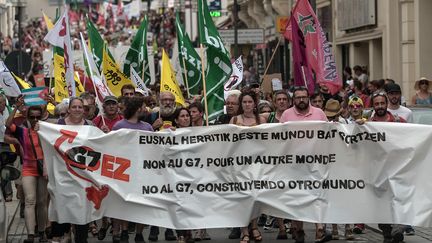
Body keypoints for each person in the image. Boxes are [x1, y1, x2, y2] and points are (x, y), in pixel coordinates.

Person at [279, 86, 327, 243]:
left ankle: (320, 228)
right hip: (294, 164)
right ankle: (298, 229)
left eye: (304, 97)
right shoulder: (287, 115)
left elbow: (329, 134)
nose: (301, 100)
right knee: (298, 198)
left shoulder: (319, 113)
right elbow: (279, 137)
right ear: (294, 99)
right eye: (298, 97)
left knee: (317, 196)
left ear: (308, 98)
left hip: (316, 162)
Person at [52, 97, 94, 243]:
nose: (77, 110)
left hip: (84, 176)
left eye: (80, 107)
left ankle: (81, 239)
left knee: (82, 210)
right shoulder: (58, 125)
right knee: (63, 207)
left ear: (84, 110)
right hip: (63, 174)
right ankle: (63, 234)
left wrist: (104, 134)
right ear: (68, 109)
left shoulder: (90, 125)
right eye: (74, 107)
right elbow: (50, 146)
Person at [112, 96, 153, 243]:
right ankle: (124, 231)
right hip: (124, 171)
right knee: (125, 203)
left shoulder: (148, 128)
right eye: (142, 107)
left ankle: (139, 233)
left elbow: (153, 148)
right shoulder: (119, 126)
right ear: (136, 109)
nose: (145, 109)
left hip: (142, 171)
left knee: (142, 203)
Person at [6, 103, 48, 243]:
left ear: (42, 117)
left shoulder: (47, 131)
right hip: (28, 168)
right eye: (32, 117)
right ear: (27, 117)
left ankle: (42, 232)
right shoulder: (22, 132)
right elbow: (8, 124)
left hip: (43, 169)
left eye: (38, 116)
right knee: (30, 201)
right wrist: (16, 107)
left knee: (42, 202)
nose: (35, 119)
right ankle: (30, 235)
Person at [367, 92, 406, 243]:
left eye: (382, 103)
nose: (380, 106)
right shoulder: (368, 124)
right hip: (378, 170)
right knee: (381, 201)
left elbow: (411, 137)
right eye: (377, 104)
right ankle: (387, 232)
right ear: (373, 105)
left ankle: (398, 228)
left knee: (398, 198)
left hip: (397, 168)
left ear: (387, 103)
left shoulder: (398, 121)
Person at [229, 90, 266, 243]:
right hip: (239, 165)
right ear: (241, 104)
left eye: (250, 102)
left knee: (255, 197)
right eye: (244, 102)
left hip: (257, 164)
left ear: (254, 104)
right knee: (242, 197)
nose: (247, 104)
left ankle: (254, 225)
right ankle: (245, 230)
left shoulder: (262, 120)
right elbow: (228, 142)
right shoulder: (234, 119)